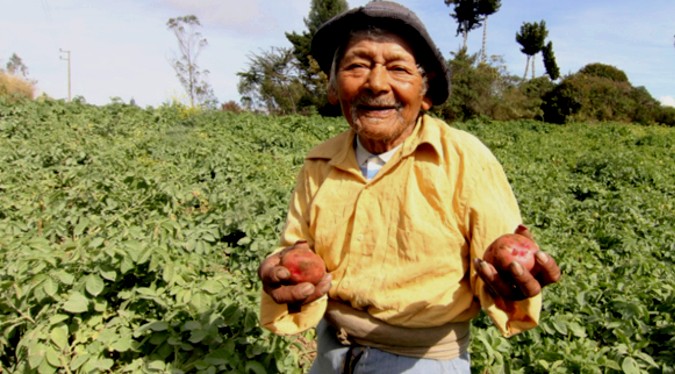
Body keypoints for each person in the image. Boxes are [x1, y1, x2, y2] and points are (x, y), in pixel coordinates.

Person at [257, 1, 561, 373]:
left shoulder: (466, 158)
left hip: (423, 362)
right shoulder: (319, 161)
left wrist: (510, 289)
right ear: (334, 89)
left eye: (398, 68)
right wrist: (280, 274)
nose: (376, 83)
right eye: (356, 66)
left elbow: (497, 262)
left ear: (426, 94)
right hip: (330, 354)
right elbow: (295, 248)